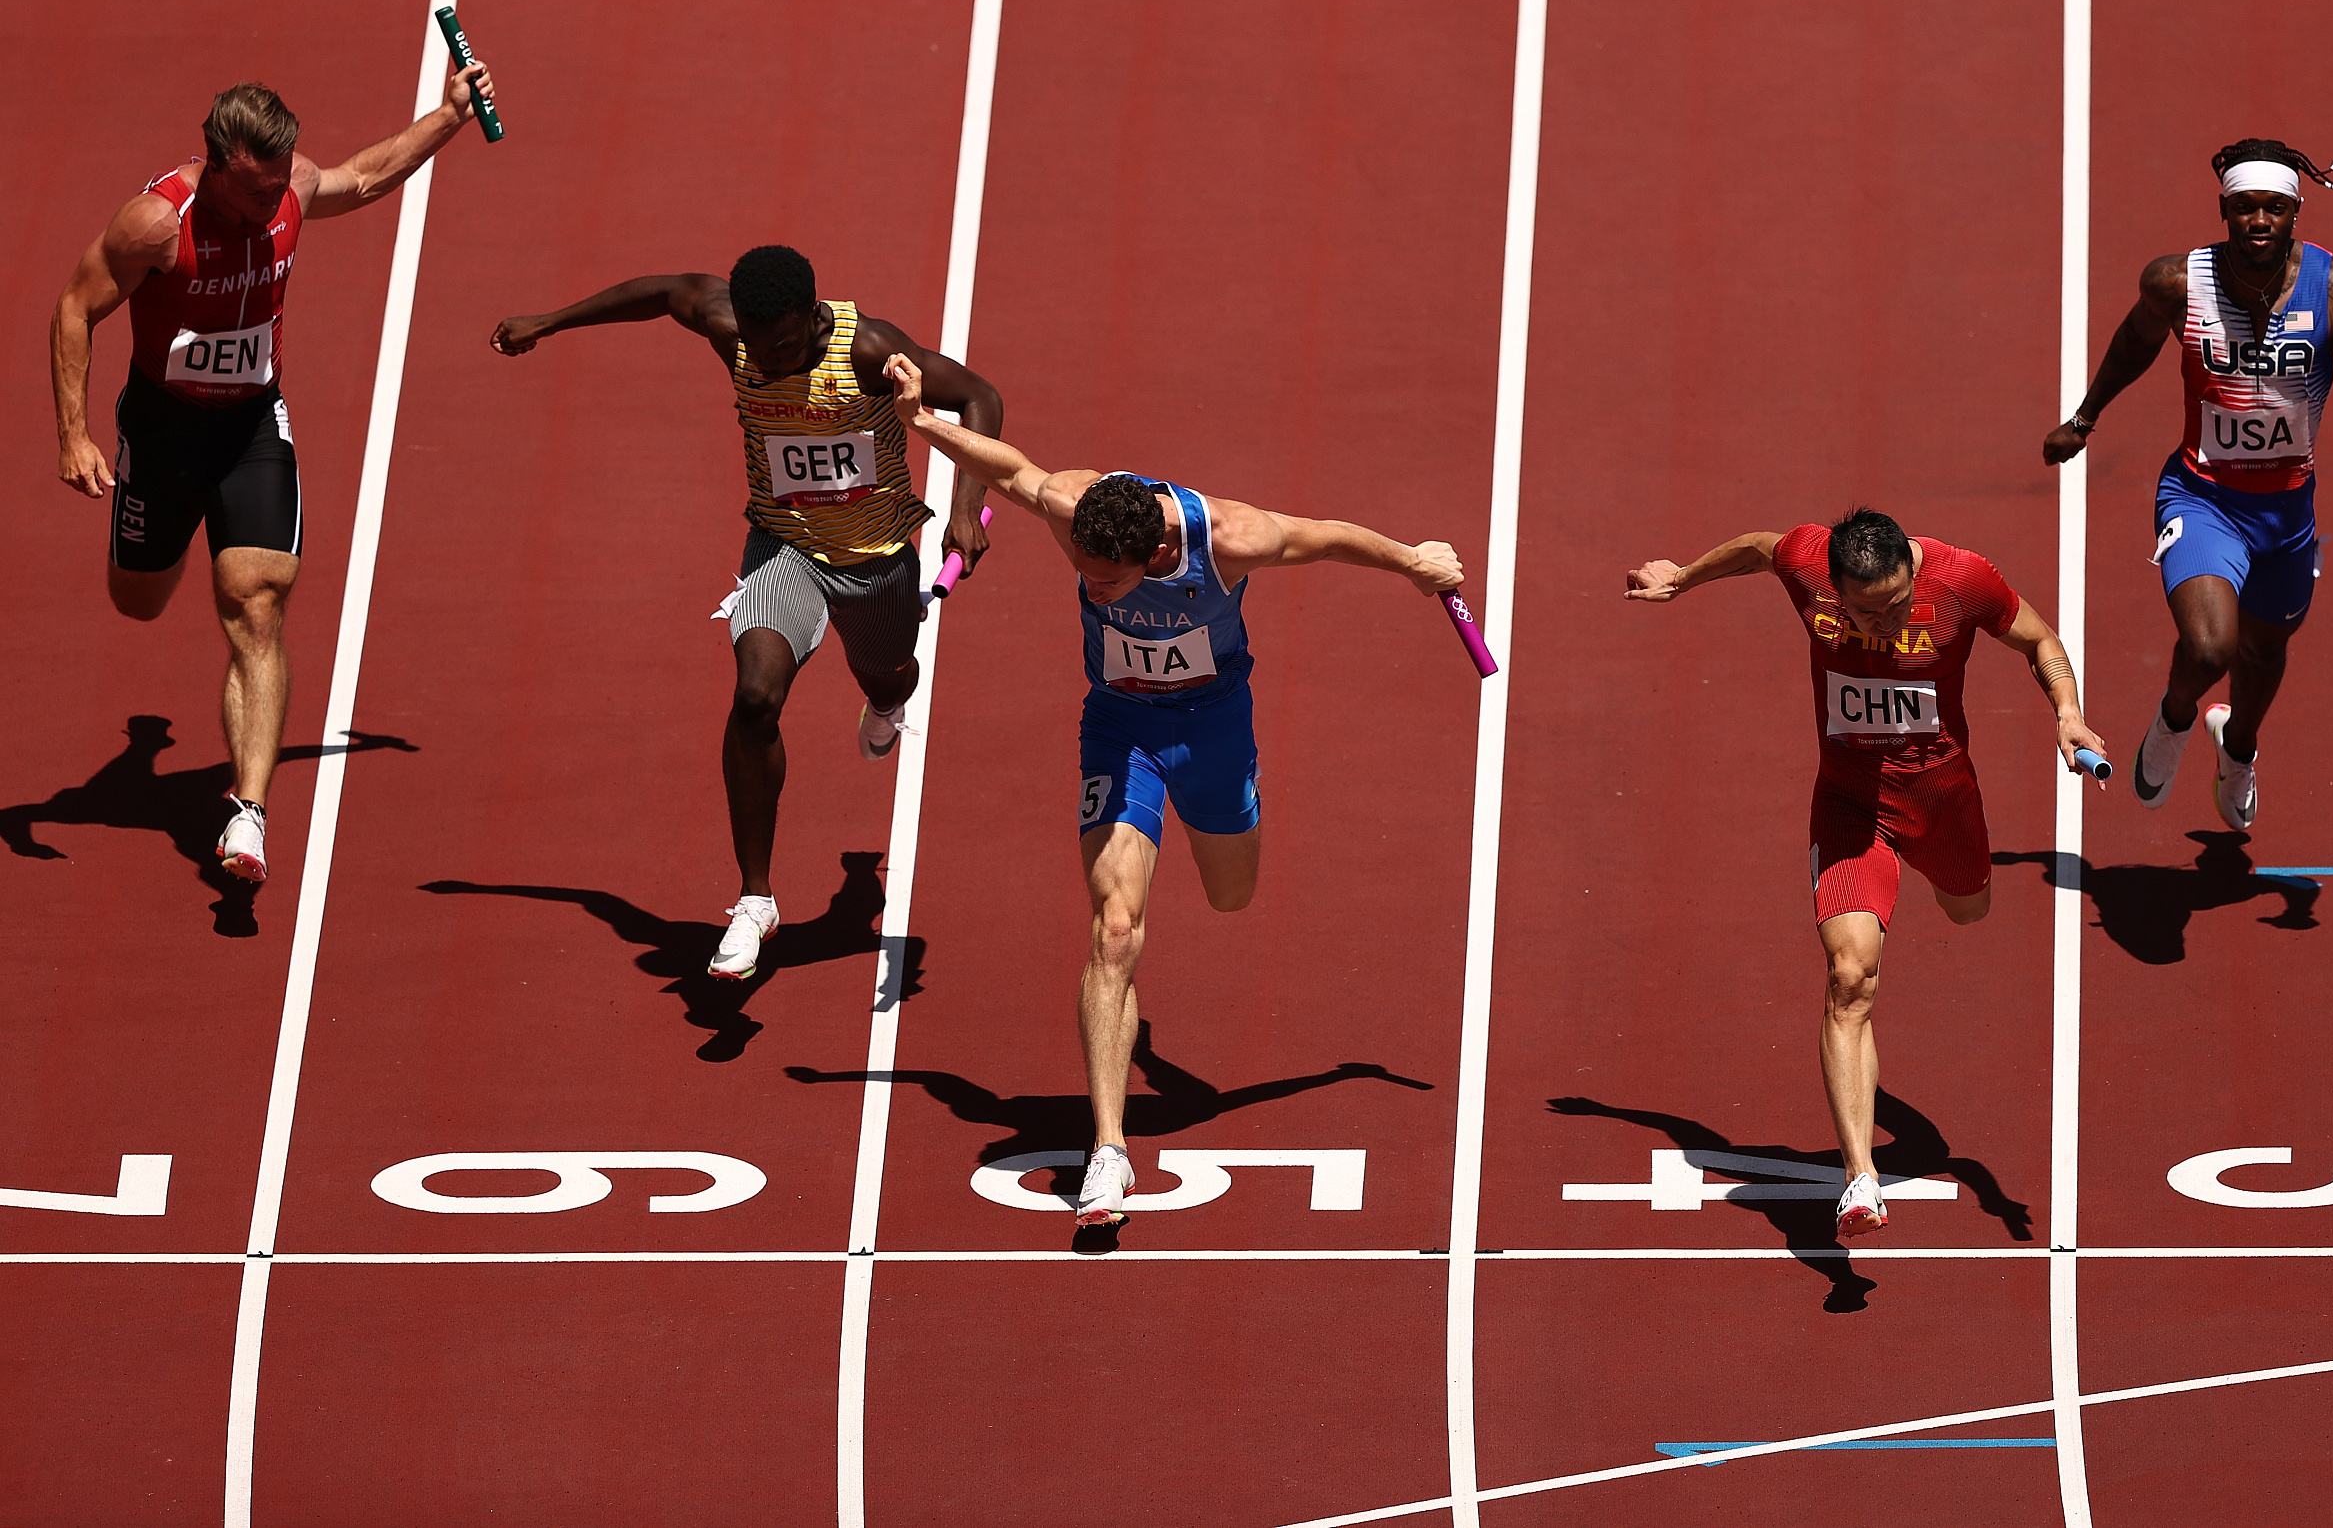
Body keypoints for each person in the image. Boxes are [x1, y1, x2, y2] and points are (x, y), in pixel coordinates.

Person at [889, 354, 1464, 1228]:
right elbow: (1001, 462)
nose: (1091, 587)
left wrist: (1414, 561)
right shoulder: (1073, 506)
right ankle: (1109, 1153)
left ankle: (1226, 817)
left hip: (1214, 727)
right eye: (1083, 570)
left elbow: (1332, 536)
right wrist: (918, 417)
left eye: (1107, 581)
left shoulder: (1229, 538)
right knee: (1115, 929)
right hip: (1119, 729)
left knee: (1232, 896)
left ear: (1155, 552)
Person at [491, 248, 1003, 978]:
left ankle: (887, 701)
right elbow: (662, 288)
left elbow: (981, 395)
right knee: (755, 696)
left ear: (814, 317)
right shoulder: (732, 329)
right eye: (760, 350)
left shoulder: (869, 349)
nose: (773, 361)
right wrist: (551, 320)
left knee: (888, 674)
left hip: (877, 555)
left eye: (788, 348)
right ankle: (755, 897)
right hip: (782, 543)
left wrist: (963, 509)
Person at [50, 68, 496, 885]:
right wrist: (74, 434)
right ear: (217, 163)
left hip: (253, 426)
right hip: (163, 432)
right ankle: (175, 537)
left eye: (277, 189)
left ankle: (247, 812)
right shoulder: (155, 223)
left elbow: (363, 176)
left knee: (256, 603)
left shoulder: (286, 185)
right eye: (254, 193)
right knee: (138, 599)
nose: (270, 209)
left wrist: (450, 117)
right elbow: (76, 307)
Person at [1626, 509, 2105, 1236]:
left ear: (1912, 571)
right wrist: (1684, 576)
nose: (1880, 626)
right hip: (1851, 806)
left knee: (1966, 909)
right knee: (1850, 978)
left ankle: (1878, 1126)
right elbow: (1759, 546)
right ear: (1835, 587)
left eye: (1892, 606)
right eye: (1862, 611)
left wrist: (2067, 712)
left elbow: (2039, 640)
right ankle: (1861, 1179)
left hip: (1942, 801)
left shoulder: (1962, 577)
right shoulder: (1808, 563)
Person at [2043, 139, 2333, 829]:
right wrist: (2084, 419)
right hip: (2202, 496)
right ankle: (2175, 719)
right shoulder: (2178, 282)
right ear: (2225, 210)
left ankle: (2236, 748)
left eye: (2274, 207)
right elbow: (2134, 344)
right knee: (2212, 646)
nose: (2259, 220)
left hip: (2287, 515)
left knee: (2265, 651)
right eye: (2245, 208)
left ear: (2296, 213)